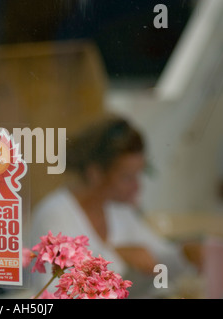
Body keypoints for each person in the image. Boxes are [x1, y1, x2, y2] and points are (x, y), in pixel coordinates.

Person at [30, 113, 198, 298]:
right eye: (127, 178)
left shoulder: (119, 211)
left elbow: (158, 257)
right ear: (95, 173)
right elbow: (52, 291)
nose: (137, 186)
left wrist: (186, 255)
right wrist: (117, 255)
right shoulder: (54, 215)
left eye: (138, 175)